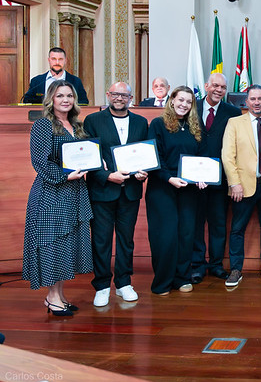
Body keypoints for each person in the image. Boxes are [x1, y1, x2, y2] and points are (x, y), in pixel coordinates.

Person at [22, 80, 92, 316]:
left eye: (70, 96)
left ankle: (60, 294)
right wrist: (66, 175)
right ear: (51, 99)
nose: (66, 100)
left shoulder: (77, 126)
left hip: (74, 193)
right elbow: (40, 162)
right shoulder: (43, 125)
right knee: (52, 244)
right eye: (60, 95)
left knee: (66, 244)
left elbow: (86, 155)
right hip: (51, 193)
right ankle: (52, 297)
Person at [83, 82, 149, 307]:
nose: (120, 98)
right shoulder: (93, 121)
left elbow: (145, 155)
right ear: (108, 95)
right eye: (115, 94)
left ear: (131, 98)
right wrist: (107, 176)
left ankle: (123, 283)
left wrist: (143, 173)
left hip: (130, 192)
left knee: (125, 240)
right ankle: (101, 286)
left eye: (125, 95)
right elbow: (89, 157)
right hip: (102, 190)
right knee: (101, 240)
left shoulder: (141, 122)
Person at [146, 86, 207, 295]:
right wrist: (169, 178)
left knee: (186, 234)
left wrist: (202, 177)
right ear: (172, 100)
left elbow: (201, 157)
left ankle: (181, 278)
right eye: (180, 100)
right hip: (163, 187)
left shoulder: (195, 127)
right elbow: (154, 158)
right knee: (165, 236)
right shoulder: (158, 124)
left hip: (188, 189)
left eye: (189, 102)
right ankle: (162, 282)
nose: (184, 105)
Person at [220, 84, 261, 288]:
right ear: (246, 102)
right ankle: (236, 269)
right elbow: (228, 156)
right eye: (252, 99)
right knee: (237, 229)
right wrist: (234, 182)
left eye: (260, 99)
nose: (256, 102)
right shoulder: (234, 123)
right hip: (242, 186)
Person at [191, 73, 241, 284]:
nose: (218, 90)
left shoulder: (233, 112)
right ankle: (197, 265)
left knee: (218, 224)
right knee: (195, 224)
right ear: (206, 86)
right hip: (194, 178)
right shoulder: (191, 107)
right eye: (215, 86)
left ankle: (216, 265)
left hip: (220, 179)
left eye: (222, 87)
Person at [23, 47, 89, 105]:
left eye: (60, 59)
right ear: (49, 60)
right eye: (54, 59)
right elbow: (26, 101)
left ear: (65, 61)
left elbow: (84, 102)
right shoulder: (37, 81)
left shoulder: (76, 81)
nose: (57, 62)